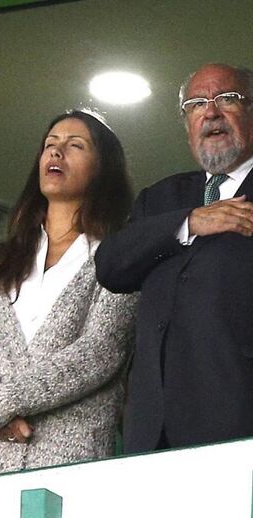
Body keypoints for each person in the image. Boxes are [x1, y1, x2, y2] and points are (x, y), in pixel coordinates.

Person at [0, 110, 138, 479]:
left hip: (67, 458)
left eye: (75, 145)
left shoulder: (118, 255)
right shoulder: (1, 259)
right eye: (50, 144)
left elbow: (101, 350)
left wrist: (8, 399)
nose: (56, 152)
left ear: (103, 167)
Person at [95, 63, 253, 452]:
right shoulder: (161, 199)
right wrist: (190, 221)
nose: (211, 112)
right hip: (152, 429)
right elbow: (111, 266)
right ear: (187, 126)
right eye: (197, 104)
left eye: (227, 99)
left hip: (237, 419)